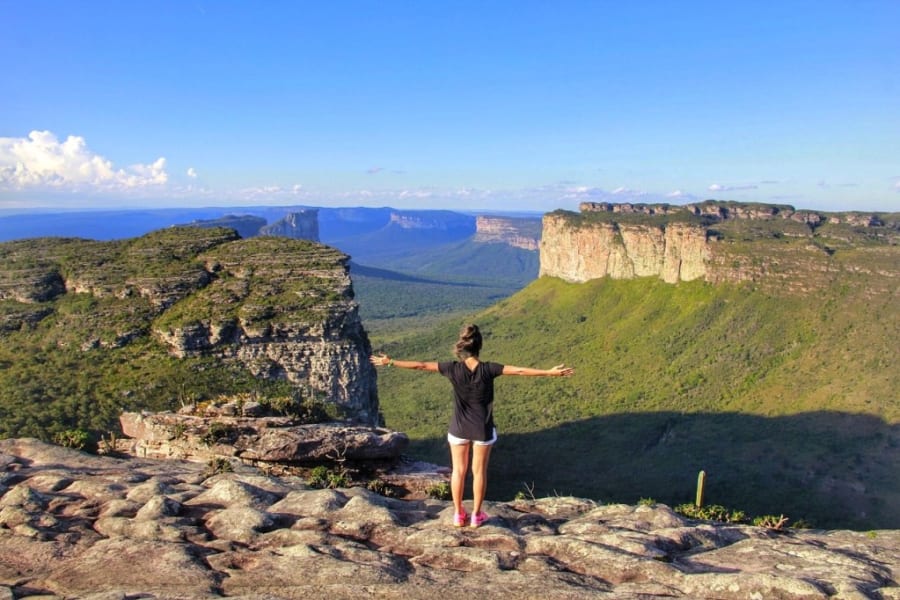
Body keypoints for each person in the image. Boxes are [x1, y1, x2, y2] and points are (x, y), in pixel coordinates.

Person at [370, 324, 574, 528]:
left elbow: (421, 365)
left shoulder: (452, 368)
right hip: (482, 429)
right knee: (479, 472)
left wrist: (390, 362)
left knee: (458, 471)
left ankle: (459, 514)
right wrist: (550, 373)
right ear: (479, 347)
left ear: (461, 349)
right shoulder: (489, 369)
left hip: (458, 428)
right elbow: (519, 370)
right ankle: (476, 515)